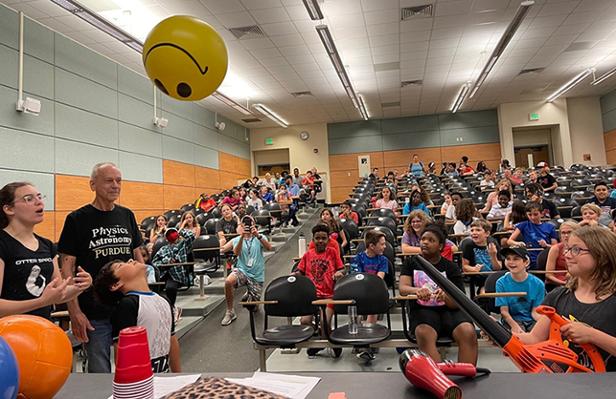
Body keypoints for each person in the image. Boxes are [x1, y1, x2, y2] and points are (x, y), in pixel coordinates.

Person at [58, 162, 144, 373]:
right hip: (94, 310)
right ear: (92, 184)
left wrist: (148, 299)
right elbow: (66, 268)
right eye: (109, 180)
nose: (115, 185)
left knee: (133, 368)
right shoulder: (76, 219)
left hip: (129, 306)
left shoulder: (127, 215)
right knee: (99, 371)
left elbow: (138, 257)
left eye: (119, 181)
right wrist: (74, 311)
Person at [516, 226, 616, 371]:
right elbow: (534, 338)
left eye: (576, 250)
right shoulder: (558, 296)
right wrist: (496, 331)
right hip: (565, 385)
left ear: (602, 256)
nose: (567, 255)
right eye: (567, 249)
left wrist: (592, 335)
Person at [0, 182, 92, 319]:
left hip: (42, 329)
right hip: (10, 332)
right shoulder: (3, 243)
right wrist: (41, 302)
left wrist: (80, 287)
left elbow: (59, 295)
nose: (39, 202)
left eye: (39, 197)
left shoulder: (47, 245)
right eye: (29, 199)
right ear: (8, 209)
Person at [399, 224, 478, 365]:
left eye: (431, 240)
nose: (425, 242)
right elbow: (403, 288)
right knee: (423, 333)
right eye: (423, 239)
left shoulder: (451, 267)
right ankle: (438, 378)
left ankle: (466, 375)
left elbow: (458, 301)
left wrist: (446, 297)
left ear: (441, 246)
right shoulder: (411, 263)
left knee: (468, 331)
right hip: (422, 310)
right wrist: (417, 290)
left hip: (450, 311)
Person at [93, 259, 180, 373]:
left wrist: (178, 375)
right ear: (116, 284)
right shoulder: (127, 305)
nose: (130, 260)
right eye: (120, 265)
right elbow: (121, 349)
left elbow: (171, 339)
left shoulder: (164, 300)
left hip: (163, 375)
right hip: (141, 381)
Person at [296, 223, 345, 358]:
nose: (320, 241)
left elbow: (342, 268)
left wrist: (339, 273)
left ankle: (330, 341)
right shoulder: (308, 255)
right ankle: (321, 337)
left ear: (328, 239)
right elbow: (299, 270)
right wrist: (295, 276)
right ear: (313, 239)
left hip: (329, 295)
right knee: (304, 322)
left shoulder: (333, 252)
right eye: (317, 238)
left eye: (323, 238)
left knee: (324, 321)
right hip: (311, 296)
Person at [220, 215, 272, 326]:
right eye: (245, 223)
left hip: (256, 275)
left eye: (250, 222)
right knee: (228, 281)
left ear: (254, 224)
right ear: (242, 225)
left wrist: (257, 235)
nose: (247, 225)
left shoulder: (260, 237)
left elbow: (269, 247)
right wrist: (242, 237)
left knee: (253, 308)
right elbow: (236, 253)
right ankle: (230, 311)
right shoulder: (237, 239)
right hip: (242, 270)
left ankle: (250, 295)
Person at [349, 229, 388, 361]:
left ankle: (367, 345)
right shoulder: (358, 258)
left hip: (375, 291)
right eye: (382, 244)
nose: (385, 246)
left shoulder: (383, 260)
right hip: (359, 291)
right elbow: (356, 279)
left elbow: (379, 279)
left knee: (373, 304)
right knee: (355, 306)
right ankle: (362, 337)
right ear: (372, 246)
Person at [496, 247, 545, 333]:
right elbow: (504, 312)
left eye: (516, 259)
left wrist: (544, 323)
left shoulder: (538, 284)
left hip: (531, 321)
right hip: (511, 320)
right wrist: (515, 326)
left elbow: (535, 312)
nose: (511, 262)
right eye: (508, 259)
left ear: (526, 262)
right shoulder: (501, 283)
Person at [152, 227, 195, 312]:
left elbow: (191, 236)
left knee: (170, 288)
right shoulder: (163, 249)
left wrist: (179, 231)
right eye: (169, 234)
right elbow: (154, 263)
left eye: (173, 234)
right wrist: (166, 261)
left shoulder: (183, 246)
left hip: (176, 276)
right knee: (153, 289)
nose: (172, 236)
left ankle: (171, 309)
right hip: (163, 274)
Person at [507, 202, 558, 269]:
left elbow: (555, 247)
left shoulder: (550, 227)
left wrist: (546, 245)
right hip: (529, 257)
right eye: (530, 215)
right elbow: (509, 241)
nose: (533, 217)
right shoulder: (524, 225)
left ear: (542, 214)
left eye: (535, 214)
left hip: (545, 257)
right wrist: (518, 243)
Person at [462, 219, 501, 294]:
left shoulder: (493, 244)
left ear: (487, 233)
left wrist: (493, 256)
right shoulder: (468, 245)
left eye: (478, 230)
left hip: (495, 277)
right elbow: (465, 266)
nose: (474, 233)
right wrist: (473, 269)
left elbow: (498, 268)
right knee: (485, 293)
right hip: (480, 279)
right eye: (472, 230)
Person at [545, 220, 578, 290]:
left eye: (569, 232)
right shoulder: (555, 249)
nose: (566, 235)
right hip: (558, 284)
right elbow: (548, 274)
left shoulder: (582, 248)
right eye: (563, 233)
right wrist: (564, 284)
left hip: (577, 282)